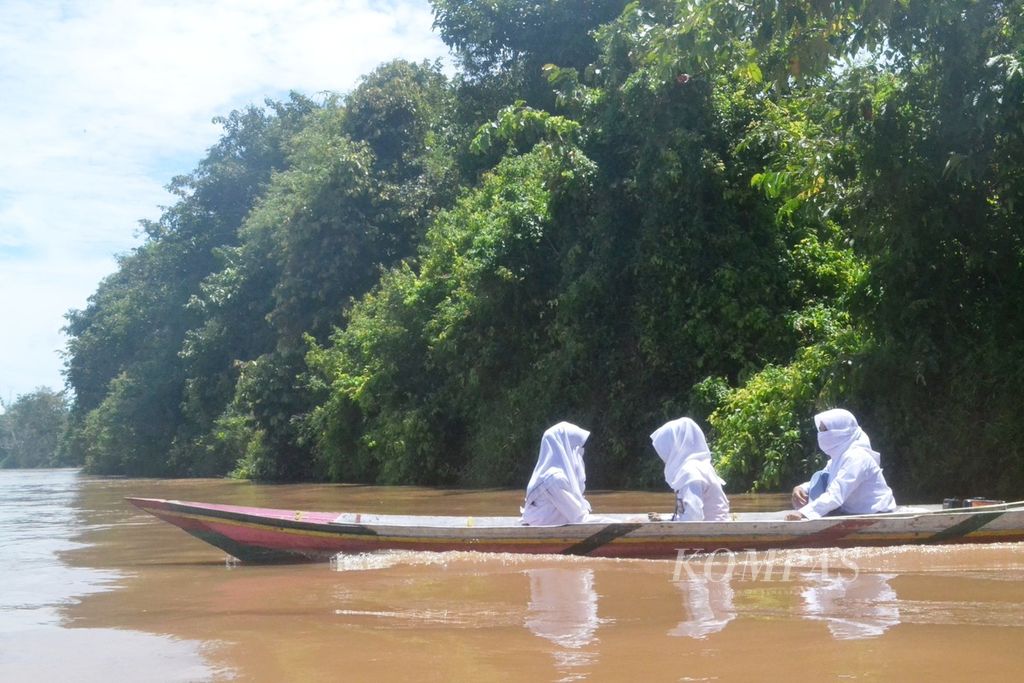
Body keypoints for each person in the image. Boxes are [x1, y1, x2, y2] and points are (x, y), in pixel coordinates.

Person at [788, 408, 896, 520]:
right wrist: (801, 488)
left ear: (842, 431)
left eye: (825, 430)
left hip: (876, 515)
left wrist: (804, 513)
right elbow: (824, 477)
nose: (821, 435)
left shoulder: (857, 457)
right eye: (820, 430)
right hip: (854, 515)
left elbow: (836, 493)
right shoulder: (838, 458)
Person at [650, 417, 730, 521]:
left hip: (711, 533)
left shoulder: (690, 472)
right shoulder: (700, 466)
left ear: (674, 446)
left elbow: (694, 517)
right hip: (715, 529)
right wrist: (667, 520)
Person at [521, 422, 593, 525]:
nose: (578, 454)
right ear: (564, 447)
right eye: (574, 448)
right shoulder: (555, 479)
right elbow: (578, 517)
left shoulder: (546, 475)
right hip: (541, 532)